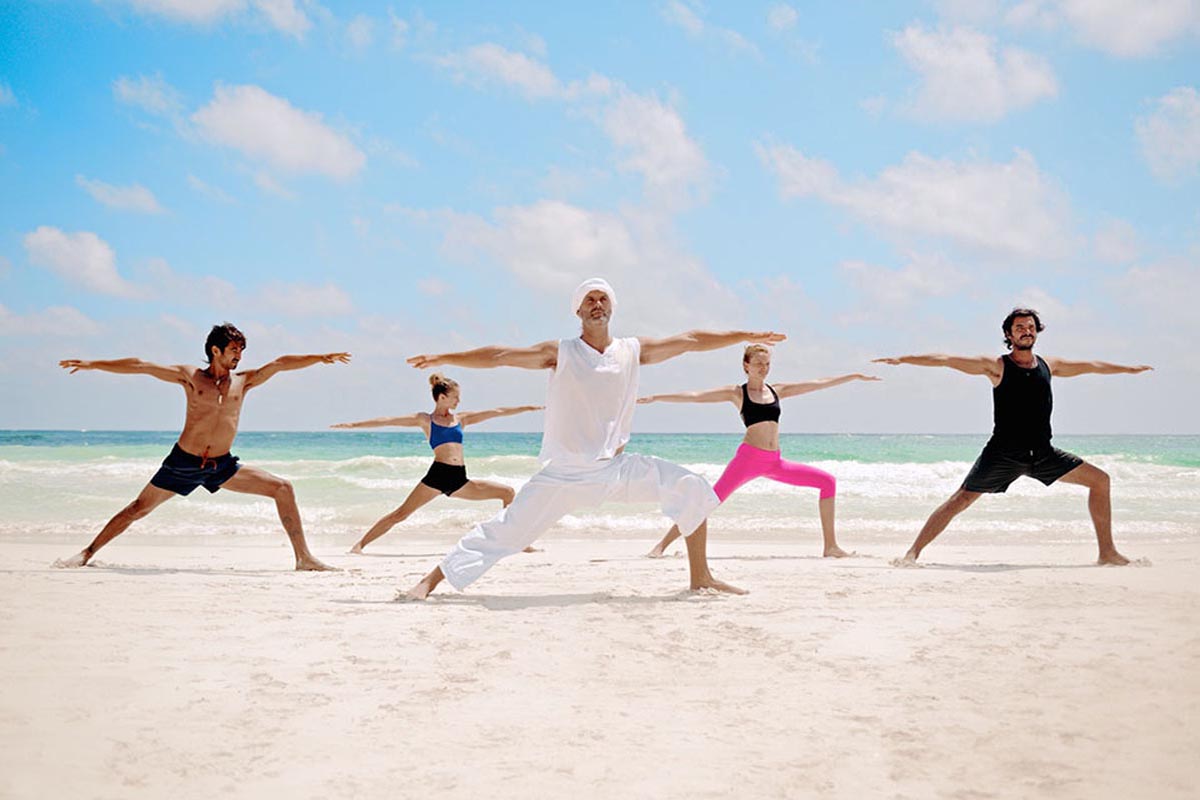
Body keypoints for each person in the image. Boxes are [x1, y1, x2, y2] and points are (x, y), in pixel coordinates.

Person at [401, 277, 785, 600]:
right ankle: (429, 582)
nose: (597, 303)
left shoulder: (632, 350)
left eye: (603, 298)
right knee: (504, 532)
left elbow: (690, 340)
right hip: (564, 474)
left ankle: (700, 577)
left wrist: (745, 335)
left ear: (612, 308)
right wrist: (445, 356)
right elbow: (500, 354)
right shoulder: (561, 352)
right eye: (589, 299)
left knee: (692, 487)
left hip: (614, 468)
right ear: (579, 311)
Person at [55, 323, 350, 571]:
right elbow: (141, 365)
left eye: (241, 350)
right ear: (215, 350)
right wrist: (94, 364)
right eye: (234, 349)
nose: (239, 356)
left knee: (282, 487)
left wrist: (319, 357)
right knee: (138, 509)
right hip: (183, 463)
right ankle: (87, 553)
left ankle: (304, 558)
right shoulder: (191, 377)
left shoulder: (243, 382)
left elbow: (281, 364)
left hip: (220, 466)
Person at [873, 308, 1152, 565]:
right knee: (960, 500)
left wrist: (1127, 369)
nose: (1026, 331)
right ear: (1009, 334)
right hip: (1003, 454)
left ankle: (1107, 553)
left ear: (1036, 331)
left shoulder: (1048, 365)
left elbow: (1091, 366)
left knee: (1100, 481)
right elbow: (946, 360)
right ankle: (912, 553)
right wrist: (903, 359)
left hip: (1043, 453)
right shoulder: (997, 366)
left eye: (1030, 327)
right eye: (1019, 327)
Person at [638, 344, 879, 558]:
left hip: (775, 462)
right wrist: (657, 397)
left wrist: (853, 376)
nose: (763, 368)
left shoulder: (777, 391)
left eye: (767, 364)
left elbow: (817, 384)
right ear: (746, 366)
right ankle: (662, 545)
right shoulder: (737, 393)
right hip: (748, 460)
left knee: (827, 482)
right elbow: (695, 396)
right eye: (758, 364)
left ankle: (831, 547)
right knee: (709, 500)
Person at [332, 374, 541, 554]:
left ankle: (516, 542)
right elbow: (388, 420)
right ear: (442, 397)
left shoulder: (462, 419)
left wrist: (527, 408)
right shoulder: (425, 420)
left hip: (459, 479)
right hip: (437, 476)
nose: (458, 401)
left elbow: (497, 411)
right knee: (400, 514)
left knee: (507, 493)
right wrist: (353, 425)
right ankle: (359, 545)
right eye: (455, 397)